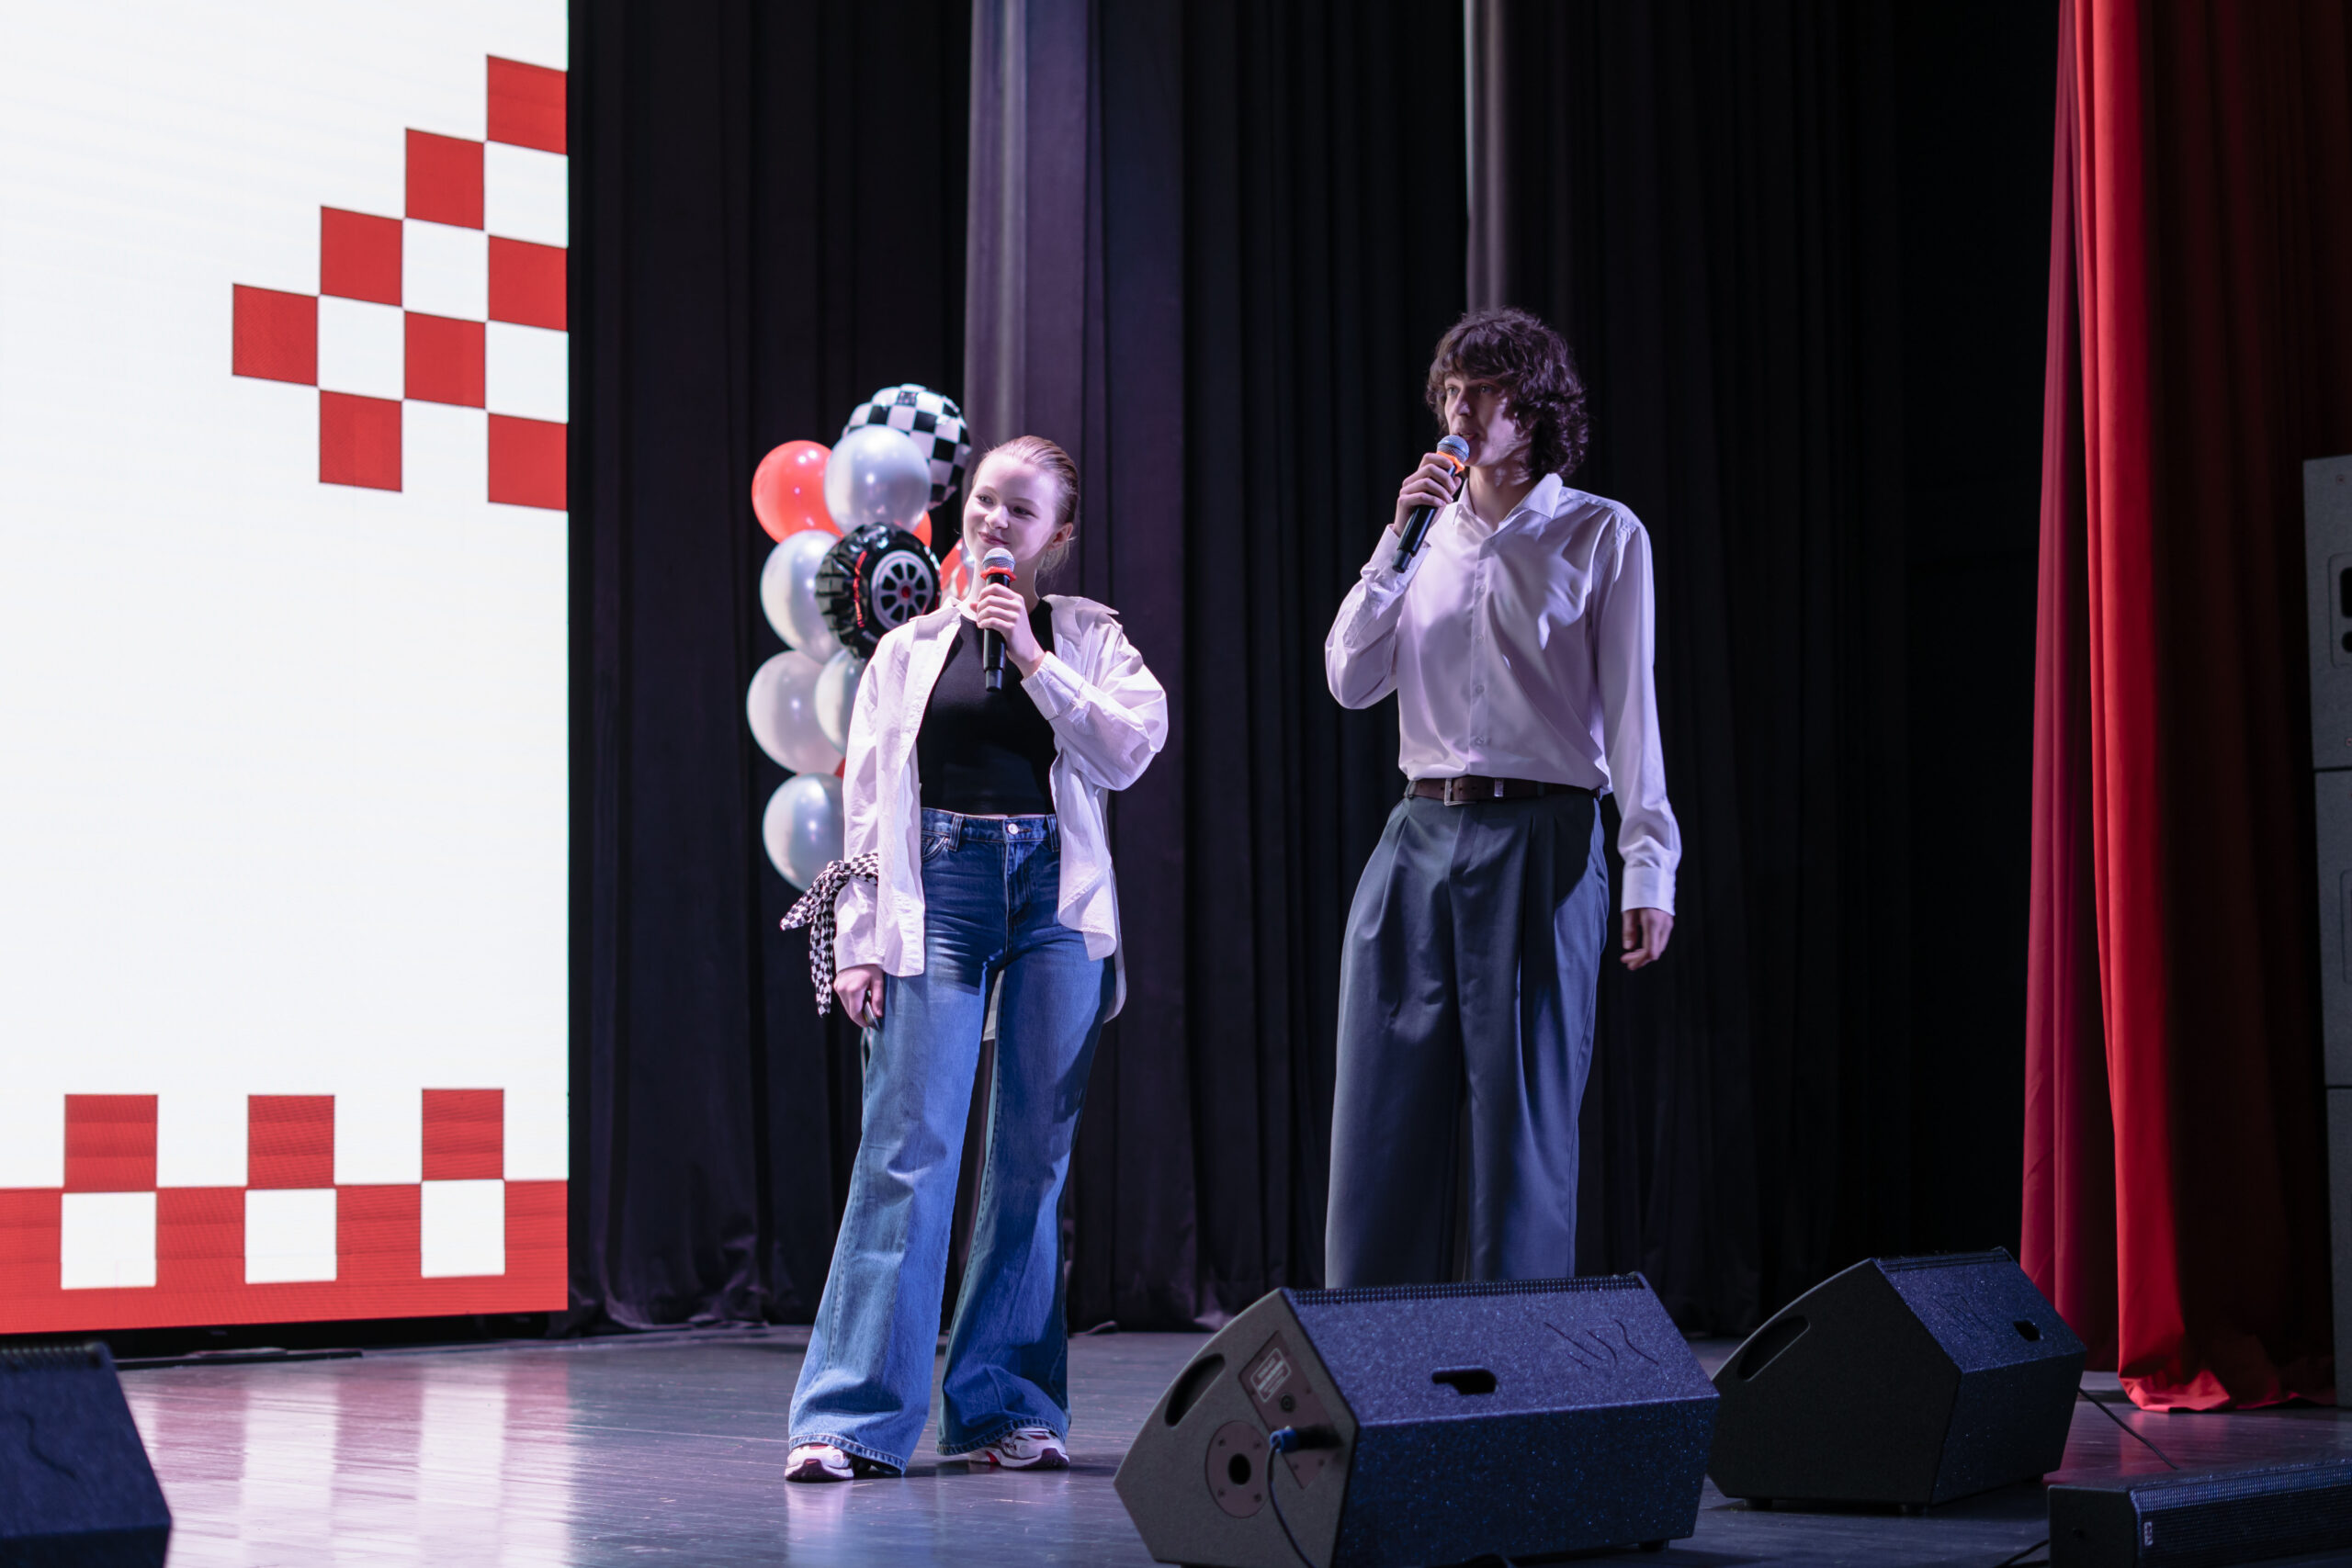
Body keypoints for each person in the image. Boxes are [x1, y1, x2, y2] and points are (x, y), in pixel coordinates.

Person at [785, 436, 1168, 1482]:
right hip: (940, 892)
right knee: (907, 1152)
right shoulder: (908, 649)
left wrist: (1034, 660)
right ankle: (849, 1419)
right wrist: (859, 939)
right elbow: (869, 806)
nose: (996, 521)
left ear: (1058, 535)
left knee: (1031, 1164)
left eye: (1022, 511)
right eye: (987, 501)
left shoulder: (1086, 637)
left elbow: (1129, 750)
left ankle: (1005, 1409)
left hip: (1054, 901)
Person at [1322, 307, 1679, 1287]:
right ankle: (1371, 1355)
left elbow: (1633, 711)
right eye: (1451, 390)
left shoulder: (1599, 533)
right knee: (1380, 1121)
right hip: (1419, 831)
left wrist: (1648, 863)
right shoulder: (1421, 538)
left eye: (1484, 391)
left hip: (1544, 834)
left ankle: (1513, 1362)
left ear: (1537, 408)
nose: (1461, 410)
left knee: (1521, 1131)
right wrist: (1394, 545)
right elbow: (1349, 680)